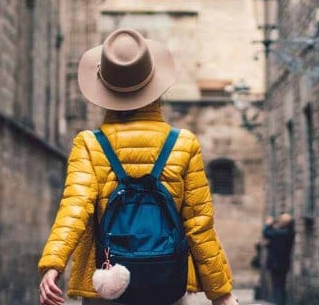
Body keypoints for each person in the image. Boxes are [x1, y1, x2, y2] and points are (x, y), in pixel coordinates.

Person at [37, 28, 239, 305]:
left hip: (106, 285)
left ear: (103, 90)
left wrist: (53, 264)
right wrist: (221, 293)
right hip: (165, 282)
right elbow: (199, 225)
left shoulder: (89, 144)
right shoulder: (183, 144)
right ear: (156, 87)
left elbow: (74, 208)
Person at [262, 213, 295, 304]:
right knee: (281, 285)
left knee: (277, 286)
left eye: (281, 220)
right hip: (284, 263)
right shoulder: (288, 233)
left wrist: (268, 224)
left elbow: (266, 233)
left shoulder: (282, 233)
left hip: (276, 264)